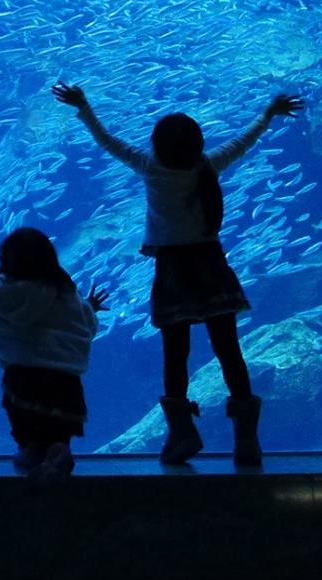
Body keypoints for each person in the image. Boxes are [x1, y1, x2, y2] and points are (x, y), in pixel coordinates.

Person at [52, 81, 303, 467]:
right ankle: (246, 438)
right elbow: (242, 143)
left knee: (175, 354)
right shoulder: (207, 167)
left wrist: (83, 106)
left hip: (172, 271)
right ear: (198, 145)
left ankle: (182, 433)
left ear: (156, 146)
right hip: (211, 267)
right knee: (228, 349)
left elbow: (108, 141)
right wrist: (268, 114)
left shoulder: (150, 168)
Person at [0, 228, 105, 481]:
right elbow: (86, 327)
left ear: (6, 261)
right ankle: (59, 452)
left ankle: (32, 455)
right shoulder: (67, 294)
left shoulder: (4, 292)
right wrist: (91, 307)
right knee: (58, 432)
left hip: (25, 380)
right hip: (67, 384)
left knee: (28, 433)